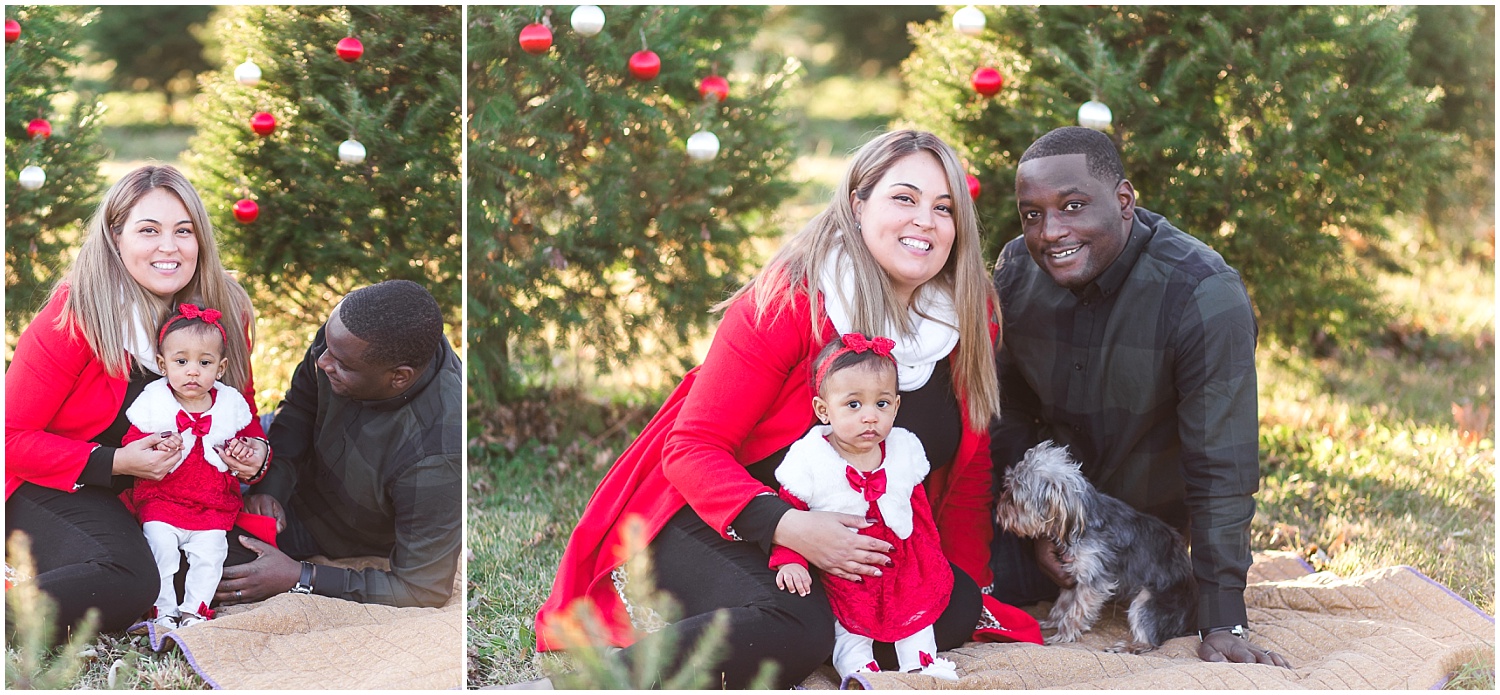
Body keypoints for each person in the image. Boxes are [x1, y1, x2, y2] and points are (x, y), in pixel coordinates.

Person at [534, 130, 1002, 688]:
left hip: (855, 546)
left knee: (950, 606)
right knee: (798, 629)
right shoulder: (794, 295)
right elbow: (691, 449)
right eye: (904, 198)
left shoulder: (966, 320)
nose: (925, 220)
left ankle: (819, 624)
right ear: (858, 205)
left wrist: (962, 586)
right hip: (720, 518)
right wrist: (789, 526)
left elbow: (968, 473)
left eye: (943, 208)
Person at [987, 125, 1290, 667]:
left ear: (1124, 201)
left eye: (1073, 206)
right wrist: (1038, 524)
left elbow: (1222, 463)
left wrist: (1223, 617)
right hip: (1042, 525)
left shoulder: (1202, 294)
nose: (1050, 232)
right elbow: (1006, 412)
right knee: (940, 603)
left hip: (1149, 547)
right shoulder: (1015, 272)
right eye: (1032, 214)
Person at [5, 165, 265, 636]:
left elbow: (241, 415)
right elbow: (11, 438)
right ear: (115, 236)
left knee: (239, 565)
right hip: (52, 482)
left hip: (171, 493)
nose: (169, 247)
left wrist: (255, 457)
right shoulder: (75, 313)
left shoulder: (224, 311)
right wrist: (118, 462)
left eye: (183, 231)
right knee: (130, 581)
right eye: (149, 230)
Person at [213, 279, 462, 609]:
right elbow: (300, 409)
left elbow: (423, 587)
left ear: (398, 377)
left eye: (342, 365)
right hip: (292, 479)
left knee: (214, 564)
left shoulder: (438, 452)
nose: (323, 362)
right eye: (326, 345)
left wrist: (301, 577)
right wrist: (271, 487)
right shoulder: (346, 337)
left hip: (335, 529)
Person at [771, 334, 959, 681]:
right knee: (850, 623)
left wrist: (929, 549)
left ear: (897, 407)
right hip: (844, 570)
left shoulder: (903, 449)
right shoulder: (811, 460)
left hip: (902, 560)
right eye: (854, 405)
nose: (870, 417)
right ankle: (858, 669)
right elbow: (790, 513)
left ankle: (921, 661)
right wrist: (790, 560)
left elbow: (916, 505)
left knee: (915, 609)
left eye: (882, 404)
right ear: (823, 410)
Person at [122, 304, 270, 630]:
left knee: (210, 556)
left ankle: (194, 610)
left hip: (211, 504)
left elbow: (246, 440)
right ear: (163, 365)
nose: (192, 371)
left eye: (204, 363)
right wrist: (158, 444)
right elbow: (132, 445)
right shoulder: (154, 402)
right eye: (181, 361)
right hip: (162, 500)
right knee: (161, 550)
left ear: (220, 368)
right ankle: (161, 611)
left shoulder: (230, 404)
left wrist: (243, 452)